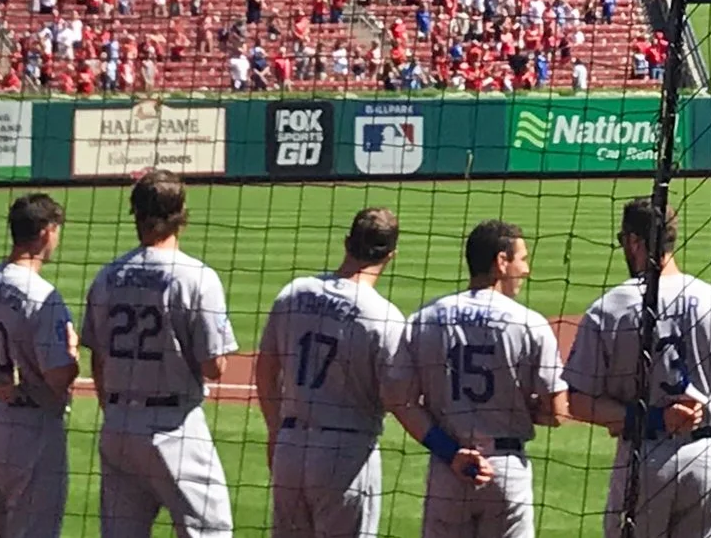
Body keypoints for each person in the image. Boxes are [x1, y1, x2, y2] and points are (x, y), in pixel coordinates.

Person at [562, 199, 711, 538]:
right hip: (705, 460)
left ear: (634, 242)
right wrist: (703, 396)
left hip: (643, 462)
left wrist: (654, 417)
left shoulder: (609, 309)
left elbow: (579, 402)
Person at [83, 169, 238, 538]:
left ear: (134, 213)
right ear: (181, 214)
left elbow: (98, 359)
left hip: (119, 425)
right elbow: (214, 366)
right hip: (174, 427)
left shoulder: (108, 275)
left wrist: (119, 412)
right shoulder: (196, 277)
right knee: (210, 530)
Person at [254, 208, 421, 538]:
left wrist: (276, 431)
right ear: (391, 255)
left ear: (347, 243)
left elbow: (266, 367)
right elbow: (398, 398)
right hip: (345, 453)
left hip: (291, 446)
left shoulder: (294, 292)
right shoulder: (382, 316)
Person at [405, 220, 567, 538]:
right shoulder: (529, 323)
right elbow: (558, 412)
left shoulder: (425, 318)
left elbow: (402, 401)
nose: (527, 269)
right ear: (501, 261)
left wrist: (449, 450)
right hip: (506, 470)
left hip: (447, 467)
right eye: (522, 258)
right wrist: (520, 407)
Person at [0, 194, 80, 538]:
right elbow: (57, 378)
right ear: (45, 233)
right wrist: (74, 358)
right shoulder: (42, 297)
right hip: (32, 428)